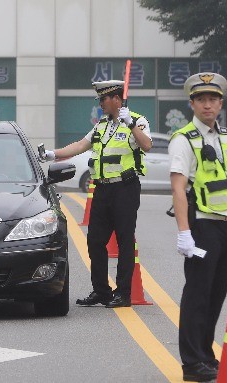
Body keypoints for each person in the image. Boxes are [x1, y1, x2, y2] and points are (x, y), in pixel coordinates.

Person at [40, 80, 152, 308]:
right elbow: (81, 145)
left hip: (125, 188)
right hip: (101, 188)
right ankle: (101, 291)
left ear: (116, 99)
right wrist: (53, 154)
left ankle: (123, 293)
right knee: (95, 241)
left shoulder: (137, 121)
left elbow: (147, 145)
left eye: (103, 99)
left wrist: (130, 124)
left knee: (124, 241)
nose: (101, 103)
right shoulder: (102, 125)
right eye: (100, 99)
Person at [168, 72, 227, 382]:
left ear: (220, 103)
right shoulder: (183, 139)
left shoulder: (225, 137)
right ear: (192, 103)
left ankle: (206, 355)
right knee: (197, 296)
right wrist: (184, 232)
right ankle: (192, 363)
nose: (207, 104)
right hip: (201, 227)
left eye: (213, 99)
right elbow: (178, 188)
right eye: (201, 99)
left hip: (226, 227)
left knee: (215, 295)